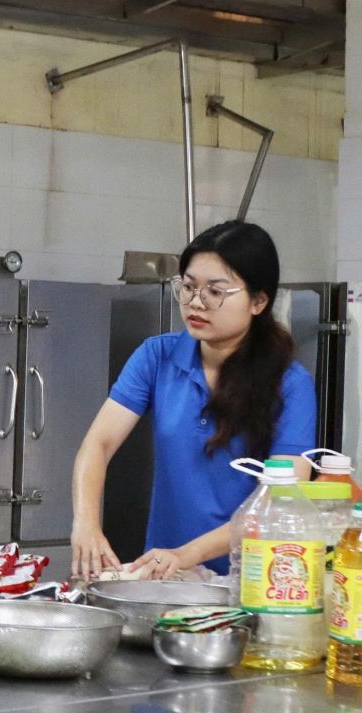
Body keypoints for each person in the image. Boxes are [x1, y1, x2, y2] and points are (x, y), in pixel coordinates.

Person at [71, 221, 317, 580]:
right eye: (187, 287)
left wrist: (186, 554)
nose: (195, 303)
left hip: (249, 583)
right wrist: (86, 523)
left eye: (215, 292)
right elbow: (99, 443)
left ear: (259, 301)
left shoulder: (290, 385)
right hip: (166, 579)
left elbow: (279, 503)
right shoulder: (157, 356)